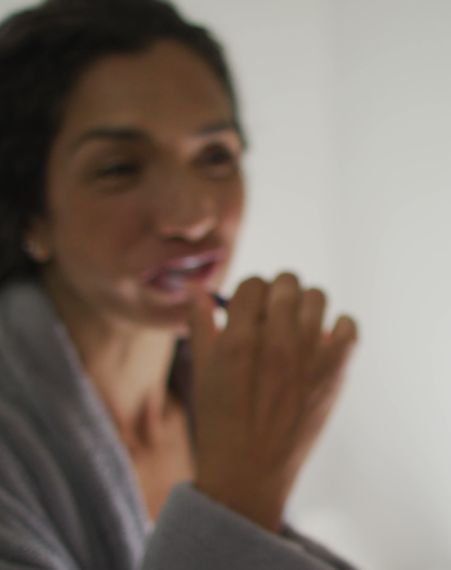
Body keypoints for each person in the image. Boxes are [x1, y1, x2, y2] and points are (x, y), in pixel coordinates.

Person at [0, 0, 360, 568]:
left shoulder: (221, 408)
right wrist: (240, 498)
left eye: (215, 156)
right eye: (119, 168)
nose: (190, 217)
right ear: (30, 216)